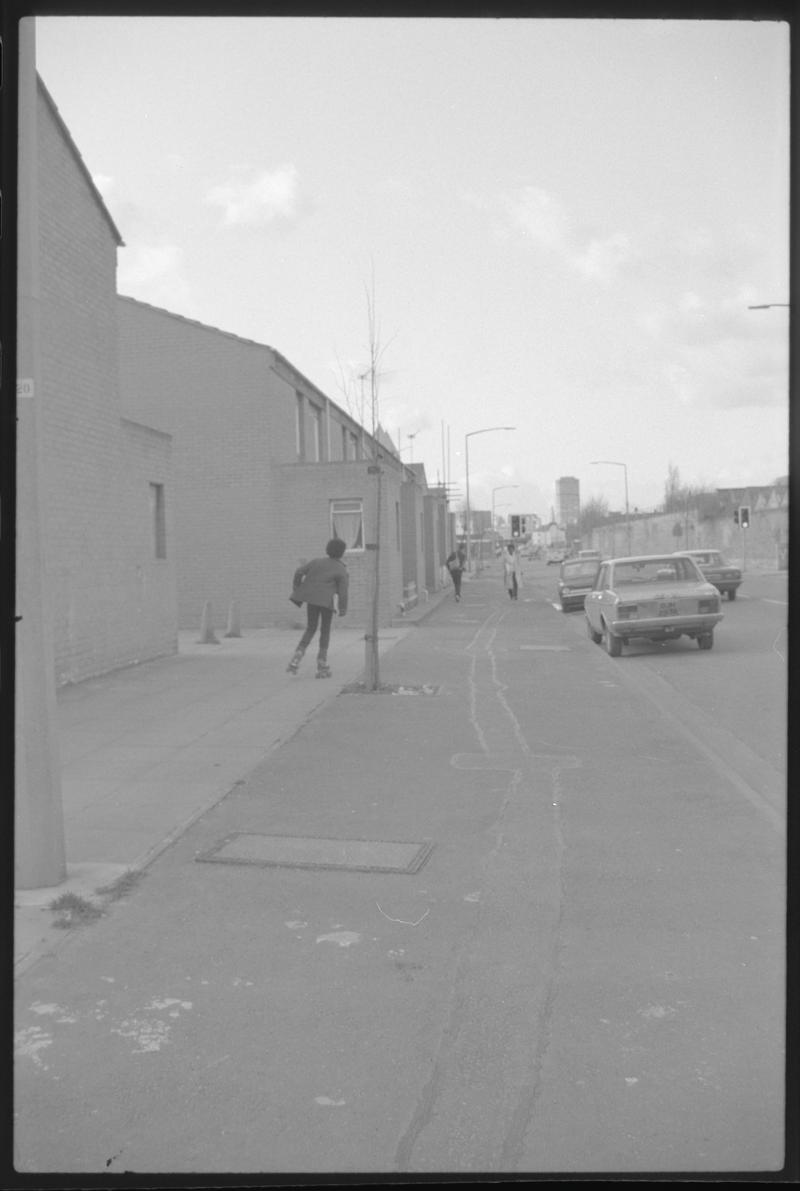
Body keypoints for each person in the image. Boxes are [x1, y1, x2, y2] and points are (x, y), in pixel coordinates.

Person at [287, 538, 349, 677]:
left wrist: (297, 587)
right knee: (325, 631)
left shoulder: (316, 562)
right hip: (326, 603)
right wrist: (343, 608)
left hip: (312, 600)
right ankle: (322, 664)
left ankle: (298, 655)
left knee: (311, 628)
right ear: (342, 552)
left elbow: (299, 572)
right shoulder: (341, 568)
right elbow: (343, 592)